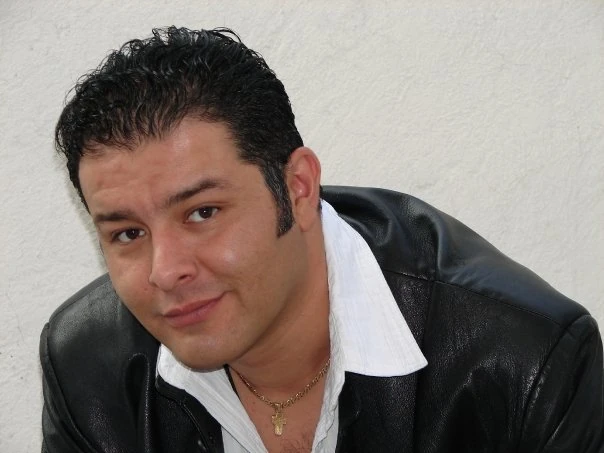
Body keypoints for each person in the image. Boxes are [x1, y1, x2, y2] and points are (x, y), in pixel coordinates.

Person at [41, 26, 603, 453]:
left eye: (202, 212)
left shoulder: (526, 363)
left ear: (299, 188)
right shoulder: (85, 368)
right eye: (128, 233)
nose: (165, 271)